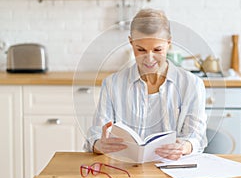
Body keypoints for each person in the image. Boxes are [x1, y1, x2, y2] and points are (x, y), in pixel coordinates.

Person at [85, 8, 207, 160]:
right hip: (125, 171)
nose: (149, 59)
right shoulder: (112, 84)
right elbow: (95, 135)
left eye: (157, 49)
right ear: (131, 42)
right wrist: (99, 144)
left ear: (168, 43)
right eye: (141, 50)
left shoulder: (191, 84)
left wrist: (185, 146)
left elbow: (197, 138)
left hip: (172, 171)